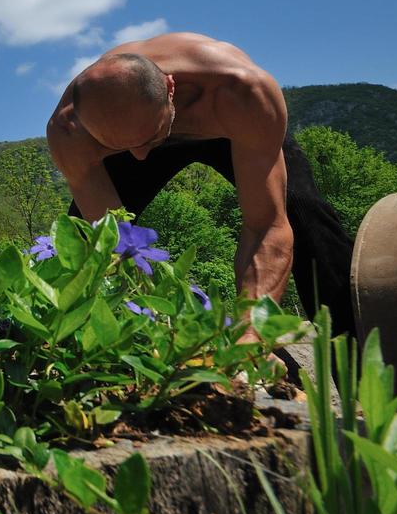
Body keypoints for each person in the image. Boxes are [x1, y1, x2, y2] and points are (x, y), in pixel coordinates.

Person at [44, 31, 355, 340]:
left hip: (227, 126)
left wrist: (252, 330)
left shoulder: (242, 92)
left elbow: (265, 228)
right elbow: (113, 244)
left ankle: (355, 354)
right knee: (86, 244)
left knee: (305, 215)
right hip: (137, 126)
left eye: (147, 140)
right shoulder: (68, 132)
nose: (140, 156)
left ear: (170, 88)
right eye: (122, 146)